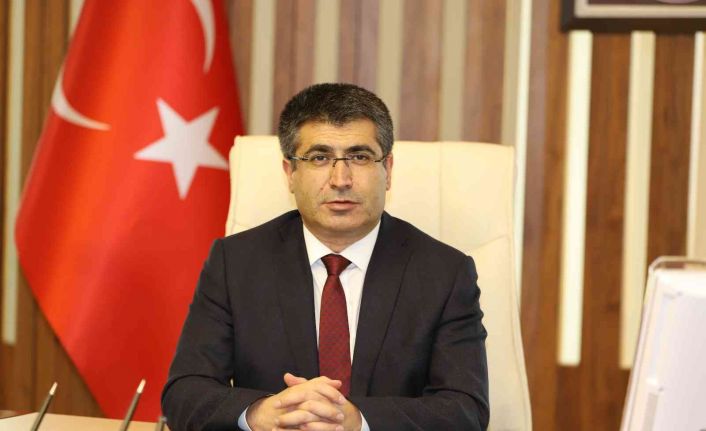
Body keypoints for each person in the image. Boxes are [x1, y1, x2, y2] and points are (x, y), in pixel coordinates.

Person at [161, 83, 489, 431]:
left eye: (360, 157)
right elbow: (185, 393)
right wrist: (260, 413)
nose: (340, 179)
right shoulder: (235, 263)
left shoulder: (445, 273)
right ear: (290, 173)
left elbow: (465, 409)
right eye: (319, 158)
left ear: (388, 170)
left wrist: (358, 420)